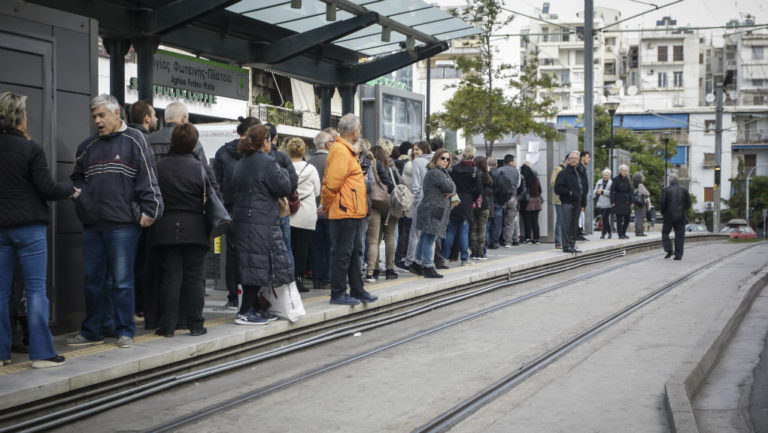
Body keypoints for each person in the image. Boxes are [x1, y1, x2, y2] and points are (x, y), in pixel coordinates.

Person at [68, 94, 163, 349]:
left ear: (117, 114)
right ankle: (93, 331)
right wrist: (81, 197)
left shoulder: (135, 139)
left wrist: (150, 210)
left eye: (101, 115)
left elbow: (148, 177)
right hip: (93, 225)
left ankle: (124, 330)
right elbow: (76, 178)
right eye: (94, 116)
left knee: (121, 281)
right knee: (93, 280)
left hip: (123, 225)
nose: (97, 121)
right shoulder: (87, 146)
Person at [0, 92, 78, 368]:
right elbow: (47, 188)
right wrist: (71, 188)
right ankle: (41, 353)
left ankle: (0, 353)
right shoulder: (30, 149)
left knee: (0, 292)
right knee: (35, 290)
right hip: (29, 229)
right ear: (20, 118)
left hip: (1, 231)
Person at [231, 124, 293, 324]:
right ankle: (245, 311)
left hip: (243, 219)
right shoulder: (267, 162)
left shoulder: (241, 163)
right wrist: (284, 171)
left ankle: (254, 308)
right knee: (257, 266)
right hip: (260, 221)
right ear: (265, 142)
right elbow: (284, 187)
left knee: (253, 264)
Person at [152, 123, 209, 337]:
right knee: (195, 277)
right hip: (195, 228)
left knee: (170, 277)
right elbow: (214, 196)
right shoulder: (200, 167)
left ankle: (167, 326)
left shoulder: (159, 167)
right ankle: (196, 325)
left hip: (166, 228)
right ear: (194, 143)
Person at [321, 114, 377, 306]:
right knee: (343, 253)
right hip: (344, 210)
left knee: (354, 252)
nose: (360, 131)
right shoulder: (341, 151)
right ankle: (338, 292)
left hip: (352, 210)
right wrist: (327, 204)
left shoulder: (346, 150)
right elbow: (332, 183)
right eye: (359, 128)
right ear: (354, 131)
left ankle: (357, 289)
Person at [213, 116, 260, 309]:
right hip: (252, 209)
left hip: (230, 209)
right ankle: (250, 297)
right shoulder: (255, 154)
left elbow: (215, 183)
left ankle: (233, 296)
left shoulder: (222, 153)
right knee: (253, 254)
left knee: (232, 253)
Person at [413, 149, 455, 278]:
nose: (445, 161)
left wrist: (452, 191)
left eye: (448, 159)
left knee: (426, 237)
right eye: (443, 158)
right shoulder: (436, 173)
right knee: (430, 238)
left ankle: (417, 263)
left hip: (432, 208)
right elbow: (450, 187)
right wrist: (451, 190)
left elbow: (452, 188)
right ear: (436, 158)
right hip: (433, 209)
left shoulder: (441, 172)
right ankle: (428, 267)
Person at [287, 137, 321, 292]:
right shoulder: (311, 169)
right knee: (303, 249)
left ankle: (289, 279)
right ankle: (299, 279)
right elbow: (318, 191)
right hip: (307, 213)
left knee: (289, 248)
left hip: (289, 213)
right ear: (303, 151)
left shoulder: (285, 168)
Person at [264, 122, 299, 269]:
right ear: (276, 137)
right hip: (282, 209)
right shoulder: (282, 158)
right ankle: (290, 282)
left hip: (264, 210)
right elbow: (293, 181)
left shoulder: (252, 158)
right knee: (286, 247)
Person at [443, 145, 482, 266]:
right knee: (464, 232)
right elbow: (479, 189)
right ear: (473, 156)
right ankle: (464, 259)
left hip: (454, 201)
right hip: (467, 202)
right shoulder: (474, 171)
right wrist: (472, 198)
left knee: (450, 231)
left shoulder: (453, 169)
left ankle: (444, 258)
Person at [366, 142, 398, 281]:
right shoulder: (391, 168)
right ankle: (390, 269)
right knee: (390, 236)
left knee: (375, 239)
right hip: (389, 204)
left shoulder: (369, 166)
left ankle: (375, 269)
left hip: (374, 205)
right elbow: (394, 185)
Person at [308, 131, 334, 290]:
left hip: (312, 212)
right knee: (330, 246)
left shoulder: (309, 162)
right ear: (326, 144)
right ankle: (327, 278)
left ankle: (317, 278)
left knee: (316, 247)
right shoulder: (332, 161)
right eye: (332, 141)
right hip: (330, 211)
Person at [404, 141, 433, 269]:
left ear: (424, 150)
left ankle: (411, 261)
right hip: (433, 200)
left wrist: (416, 199)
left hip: (421, 200)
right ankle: (428, 261)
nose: (415, 152)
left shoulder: (417, 162)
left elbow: (416, 184)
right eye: (414, 149)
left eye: (417, 149)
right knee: (430, 233)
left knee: (415, 233)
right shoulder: (435, 160)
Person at [554, 151, 584, 254]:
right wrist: (569, 192)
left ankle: (572, 244)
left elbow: (583, 187)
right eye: (572, 158)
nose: (574, 160)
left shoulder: (579, 172)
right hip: (567, 202)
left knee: (574, 225)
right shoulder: (563, 173)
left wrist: (583, 202)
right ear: (568, 160)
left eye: (576, 158)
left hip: (577, 203)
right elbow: (557, 188)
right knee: (566, 225)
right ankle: (566, 246)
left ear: (578, 160)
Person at [660, 174, 691, 260]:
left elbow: (662, 203)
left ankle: (669, 249)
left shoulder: (666, 190)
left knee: (665, 233)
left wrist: (664, 212)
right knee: (680, 235)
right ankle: (678, 255)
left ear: (669, 181)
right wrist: (683, 210)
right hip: (681, 216)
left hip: (668, 216)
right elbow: (688, 203)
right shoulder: (684, 189)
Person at [471, 156, 493, 259]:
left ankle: (474, 252)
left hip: (473, 205)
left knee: (474, 229)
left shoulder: (473, 175)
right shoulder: (487, 176)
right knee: (483, 229)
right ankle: (481, 253)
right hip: (484, 205)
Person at [498, 154, 521, 247]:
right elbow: (518, 184)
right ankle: (508, 241)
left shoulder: (499, 170)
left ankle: (497, 240)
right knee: (510, 221)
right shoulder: (516, 171)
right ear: (511, 162)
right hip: (512, 197)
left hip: (501, 198)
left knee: (500, 220)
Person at [520, 161, 542, 244]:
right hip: (536, 201)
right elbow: (540, 190)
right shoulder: (535, 178)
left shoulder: (523, 177)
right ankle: (537, 239)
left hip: (527, 202)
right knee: (535, 221)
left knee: (527, 221)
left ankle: (528, 238)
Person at [550, 154, 568, 249]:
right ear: (566, 159)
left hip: (568, 199)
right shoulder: (558, 169)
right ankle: (558, 242)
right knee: (560, 221)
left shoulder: (571, 170)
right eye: (571, 159)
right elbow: (552, 182)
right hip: (559, 199)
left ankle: (566, 241)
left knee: (567, 221)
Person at [610, 164, 632, 240]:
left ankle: (623, 232)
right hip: (618, 200)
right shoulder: (615, 179)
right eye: (623, 171)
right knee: (619, 218)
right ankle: (620, 234)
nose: (625, 173)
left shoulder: (627, 179)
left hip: (626, 201)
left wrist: (632, 200)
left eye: (626, 171)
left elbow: (630, 190)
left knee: (628, 218)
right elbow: (612, 191)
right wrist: (612, 201)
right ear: (620, 171)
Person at [486, 158, 503, 249]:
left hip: (489, 200)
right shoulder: (500, 173)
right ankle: (494, 242)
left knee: (488, 223)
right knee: (497, 224)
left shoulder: (486, 174)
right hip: (498, 201)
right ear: (496, 164)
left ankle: (487, 242)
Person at [576, 151, 591, 241]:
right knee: (579, 214)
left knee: (581, 215)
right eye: (588, 157)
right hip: (580, 196)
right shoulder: (580, 168)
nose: (589, 159)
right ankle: (577, 233)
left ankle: (579, 232)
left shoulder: (583, 168)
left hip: (582, 196)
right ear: (582, 158)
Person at [594, 169, 613, 239]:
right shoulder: (599, 181)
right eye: (604, 175)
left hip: (608, 204)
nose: (605, 176)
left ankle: (603, 233)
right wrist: (597, 192)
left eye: (607, 175)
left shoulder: (611, 183)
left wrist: (603, 191)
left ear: (609, 176)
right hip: (600, 203)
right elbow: (594, 190)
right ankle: (610, 232)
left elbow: (611, 193)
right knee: (604, 219)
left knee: (605, 218)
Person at [632, 172, 650, 237]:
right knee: (641, 217)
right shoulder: (640, 185)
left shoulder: (634, 185)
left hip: (637, 203)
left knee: (638, 217)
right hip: (642, 203)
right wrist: (647, 192)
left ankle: (638, 231)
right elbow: (647, 193)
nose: (643, 177)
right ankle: (640, 232)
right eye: (642, 176)